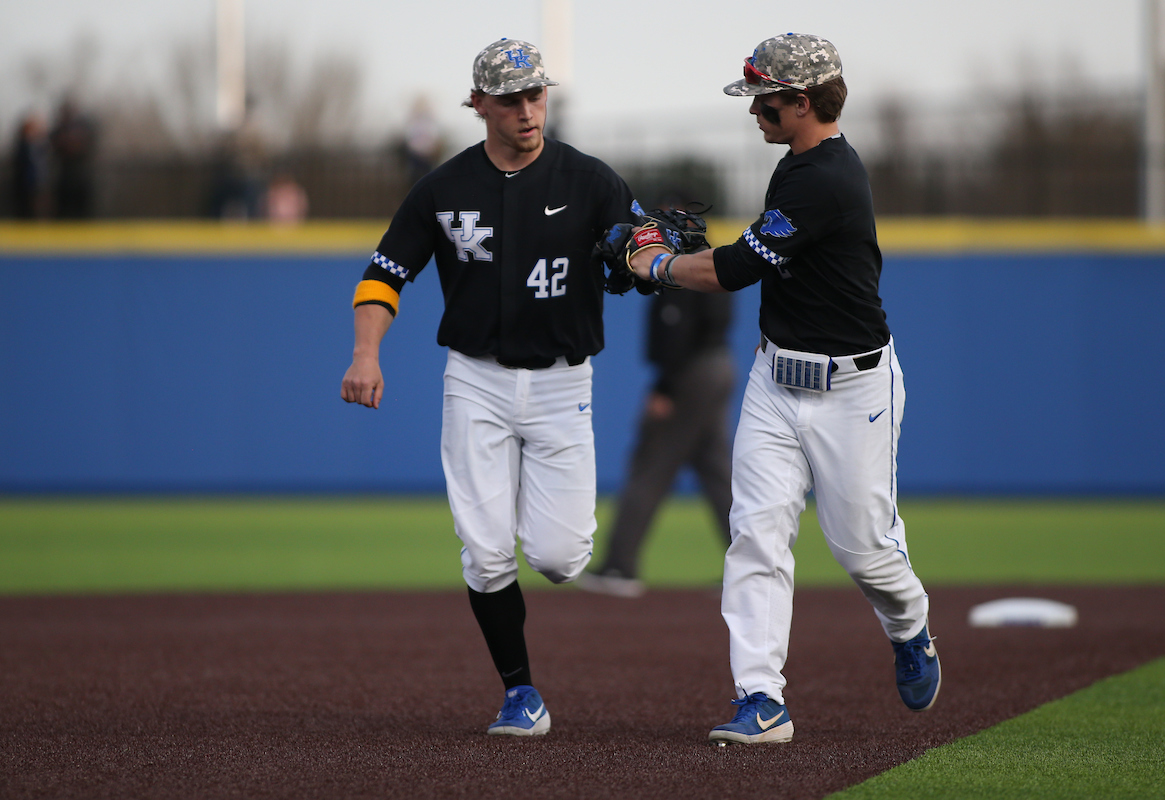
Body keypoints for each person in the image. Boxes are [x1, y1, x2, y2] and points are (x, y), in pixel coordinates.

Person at [623, 33, 940, 745]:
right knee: (755, 536)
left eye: (765, 100)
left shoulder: (827, 177)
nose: (755, 112)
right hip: (776, 380)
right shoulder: (797, 164)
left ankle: (909, 624)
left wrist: (657, 266)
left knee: (864, 551)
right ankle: (762, 699)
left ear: (802, 101)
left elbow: (735, 268)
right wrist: (673, 258)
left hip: (853, 390)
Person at [340, 38, 642, 737]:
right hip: (475, 380)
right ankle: (519, 693)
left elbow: (641, 249)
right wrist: (366, 353)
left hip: (564, 383)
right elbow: (385, 274)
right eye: (511, 99)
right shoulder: (443, 188)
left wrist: (643, 256)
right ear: (478, 104)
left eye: (537, 96)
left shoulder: (591, 180)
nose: (528, 111)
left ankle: (527, 627)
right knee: (484, 549)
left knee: (562, 559)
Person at [578, 287, 735, 598]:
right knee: (716, 472)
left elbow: (677, 328)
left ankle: (618, 567)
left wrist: (665, 387)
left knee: (650, 466)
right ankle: (754, 567)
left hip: (691, 373)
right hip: (718, 364)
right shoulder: (714, 260)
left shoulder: (684, 268)